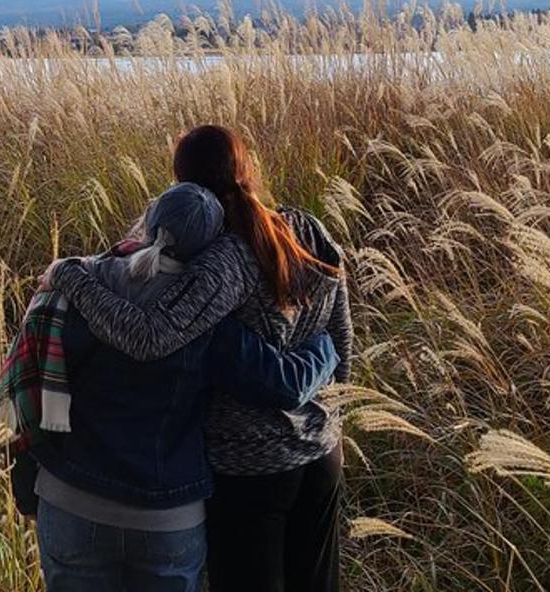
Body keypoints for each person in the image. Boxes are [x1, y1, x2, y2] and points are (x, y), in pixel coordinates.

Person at [46, 125, 353, 592]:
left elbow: (150, 338)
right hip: (321, 455)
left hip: (251, 470)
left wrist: (73, 276)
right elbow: (342, 333)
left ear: (182, 183)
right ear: (246, 170)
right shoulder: (307, 228)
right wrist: (331, 421)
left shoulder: (224, 259)